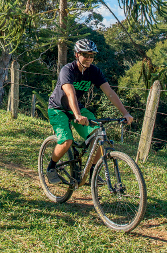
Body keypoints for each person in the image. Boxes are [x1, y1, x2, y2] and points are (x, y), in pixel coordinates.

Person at [46, 39, 133, 184]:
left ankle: (92, 171)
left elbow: (109, 92)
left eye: (92, 55)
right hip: (58, 108)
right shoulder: (67, 70)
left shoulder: (94, 71)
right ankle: (51, 167)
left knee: (98, 134)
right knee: (66, 141)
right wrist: (77, 115)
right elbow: (70, 93)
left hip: (78, 108)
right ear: (76, 54)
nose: (89, 58)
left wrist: (125, 113)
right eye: (85, 55)